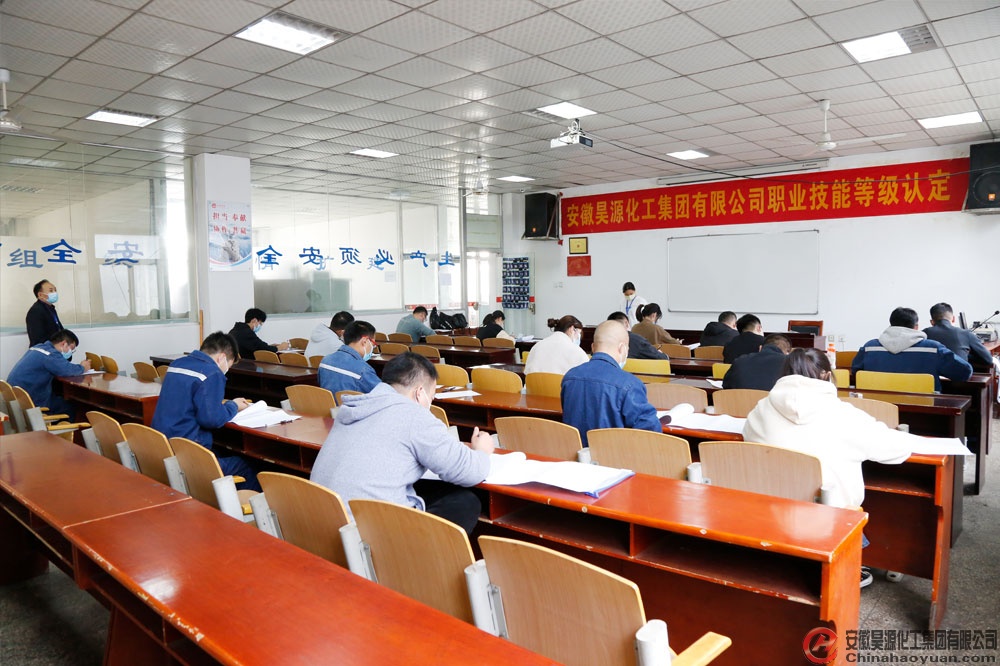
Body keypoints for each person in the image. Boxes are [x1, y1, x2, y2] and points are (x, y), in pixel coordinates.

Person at [744, 348, 921, 588]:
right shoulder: (844, 415)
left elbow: (749, 437)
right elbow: (894, 450)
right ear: (827, 376)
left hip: (771, 512)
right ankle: (846, 559)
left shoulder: (760, 410)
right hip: (830, 521)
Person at [310, 352, 494, 535]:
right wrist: (482, 451)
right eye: (432, 396)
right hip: (369, 534)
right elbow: (470, 471)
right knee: (465, 502)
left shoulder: (354, 409)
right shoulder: (413, 416)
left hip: (323, 524)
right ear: (420, 393)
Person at [151, 331, 259, 490]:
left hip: (163, 446)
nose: (226, 370)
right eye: (229, 365)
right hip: (188, 453)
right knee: (246, 466)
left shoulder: (176, 364)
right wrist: (233, 406)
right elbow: (212, 419)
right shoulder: (211, 372)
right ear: (222, 357)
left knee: (220, 452)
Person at [561, 320, 661, 447]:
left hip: (576, 455)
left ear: (593, 347)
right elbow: (651, 433)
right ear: (622, 348)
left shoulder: (569, 377)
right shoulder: (630, 384)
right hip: (613, 457)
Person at [851, 307, 973, 391]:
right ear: (916, 327)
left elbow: (856, 372)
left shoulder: (869, 347)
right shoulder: (933, 349)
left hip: (878, 408)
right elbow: (964, 372)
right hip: (926, 409)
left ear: (891, 325)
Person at [7, 329, 91, 417]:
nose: (70, 352)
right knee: (70, 407)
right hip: (30, 399)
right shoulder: (50, 354)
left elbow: (60, 366)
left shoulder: (38, 347)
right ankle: (62, 426)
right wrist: (82, 367)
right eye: (71, 349)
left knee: (59, 396)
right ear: (64, 344)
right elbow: (67, 370)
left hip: (15, 395)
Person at [924, 302, 993, 371]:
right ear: (953, 319)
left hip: (930, 376)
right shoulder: (966, 333)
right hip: (958, 376)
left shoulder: (924, 334)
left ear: (932, 322)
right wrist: (964, 355)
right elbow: (988, 359)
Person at [318, 320, 381, 396]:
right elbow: (384, 395)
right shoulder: (363, 370)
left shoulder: (325, 361)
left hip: (330, 403)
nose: (372, 348)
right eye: (373, 344)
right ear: (364, 341)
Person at [524, 315, 588, 375]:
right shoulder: (577, 351)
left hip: (534, 383)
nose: (578, 338)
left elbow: (527, 373)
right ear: (572, 329)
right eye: (579, 333)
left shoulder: (537, 346)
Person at [722, 334, 791, 390]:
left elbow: (726, 385)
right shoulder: (790, 364)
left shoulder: (740, 361)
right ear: (788, 353)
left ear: (760, 348)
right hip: (773, 403)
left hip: (742, 402)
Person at [25, 279, 64, 347]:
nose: (54, 293)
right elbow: (38, 339)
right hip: (45, 350)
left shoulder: (51, 309)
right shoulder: (36, 311)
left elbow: (58, 329)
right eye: (51, 291)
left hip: (56, 349)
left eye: (55, 290)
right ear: (40, 295)